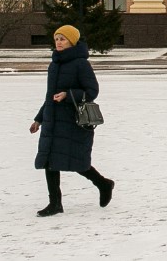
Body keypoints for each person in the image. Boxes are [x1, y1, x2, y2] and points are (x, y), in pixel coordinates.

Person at [29, 24, 114, 217]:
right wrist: (39, 119)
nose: (58, 42)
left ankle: (104, 184)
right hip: (53, 120)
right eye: (57, 38)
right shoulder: (55, 64)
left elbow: (92, 91)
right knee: (50, 161)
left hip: (72, 121)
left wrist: (68, 95)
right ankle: (55, 203)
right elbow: (50, 96)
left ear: (72, 41)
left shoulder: (80, 64)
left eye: (63, 39)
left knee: (77, 161)